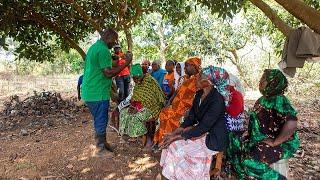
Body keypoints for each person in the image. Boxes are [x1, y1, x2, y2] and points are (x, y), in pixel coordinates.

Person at [159, 70, 228, 180]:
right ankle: (170, 175)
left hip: (213, 139)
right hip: (203, 133)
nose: (196, 78)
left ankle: (183, 176)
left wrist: (176, 137)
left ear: (208, 82)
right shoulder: (199, 94)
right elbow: (192, 117)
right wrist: (178, 130)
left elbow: (204, 127)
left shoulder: (217, 100)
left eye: (199, 77)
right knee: (169, 144)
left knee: (176, 148)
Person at [232, 69, 300, 180]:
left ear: (273, 82)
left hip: (281, 143)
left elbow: (292, 122)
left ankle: (278, 178)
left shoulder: (279, 100)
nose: (260, 82)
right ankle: (245, 176)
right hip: (262, 139)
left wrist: (275, 142)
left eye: (264, 79)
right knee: (233, 143)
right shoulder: (263, 100)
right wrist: (249, 135)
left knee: (249, 161)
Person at [81, 29, 132, 155]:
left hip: (91, 91)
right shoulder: (103, 50)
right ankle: (100, 148)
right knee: (101, 119)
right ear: (108, 37)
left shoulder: (95, 47)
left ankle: (103, 143)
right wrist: (126, 64)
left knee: (100, 118)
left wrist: (121, 61)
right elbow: (108, 73)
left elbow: (108, 65)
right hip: (97, 92)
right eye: (114, 41)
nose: (114, 44)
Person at [153, 57, 201, 146]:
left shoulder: (199, 80)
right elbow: (177, 91)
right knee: (164, 113)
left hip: (186, 109)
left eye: (186, 66)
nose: (184, 68)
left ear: (194, 66)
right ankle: (160, 141)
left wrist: (191, 110)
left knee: (171, 118)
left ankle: (168, 142)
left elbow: (198, 97)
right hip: (176, 106)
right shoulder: (184, 78)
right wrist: (169, 102)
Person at [119, 64, 165, 149]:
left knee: (136, 117)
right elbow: (135, 97)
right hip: (140, 107)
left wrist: (138, 109)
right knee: (123, 112)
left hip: (153, 109)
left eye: (137, 78)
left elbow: (152, 100)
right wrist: (133, 107)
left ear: (141, 74)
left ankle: (147, 138)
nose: (136, 81)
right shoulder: (137, 83)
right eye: (134, 78)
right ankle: (132, 134)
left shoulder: (149, 81)